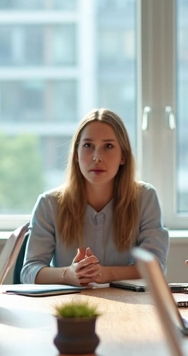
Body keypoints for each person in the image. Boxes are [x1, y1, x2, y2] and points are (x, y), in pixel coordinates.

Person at [20, 109, 168, 285]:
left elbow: (155, 267)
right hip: (70, 307)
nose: (97, 157)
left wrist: (106, 274)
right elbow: (29, 271)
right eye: (88, 146)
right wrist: (68, 274)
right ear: (76, 154)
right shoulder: (49, 204)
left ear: (123, 156)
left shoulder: (145, 198)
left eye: (108, 146)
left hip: (127, 305)